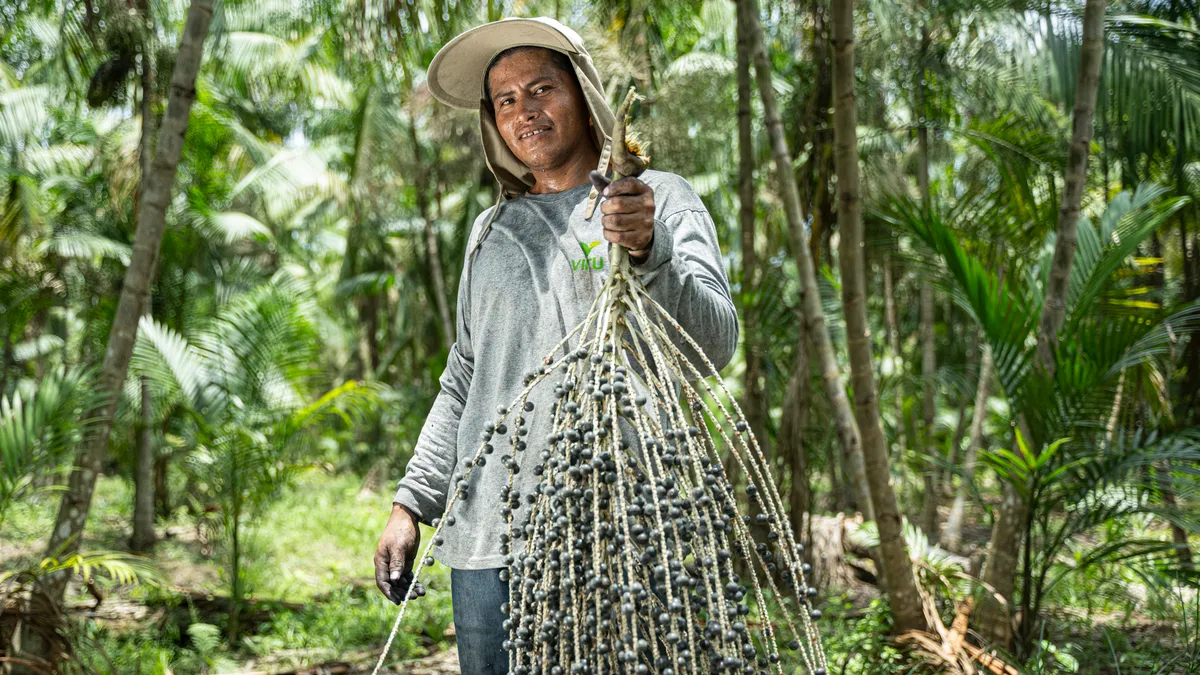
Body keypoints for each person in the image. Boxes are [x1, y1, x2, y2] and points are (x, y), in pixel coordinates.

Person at [373, 16, 739, 675]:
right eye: (506, 100)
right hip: (485, 542)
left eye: (542, 88)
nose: (525, 111)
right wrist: (409, 504)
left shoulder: (655, 200)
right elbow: (464, 380)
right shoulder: (491, 230)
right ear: (493, 121)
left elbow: (712, 347)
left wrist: (648, 250)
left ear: (584, 94)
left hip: (616, 539)